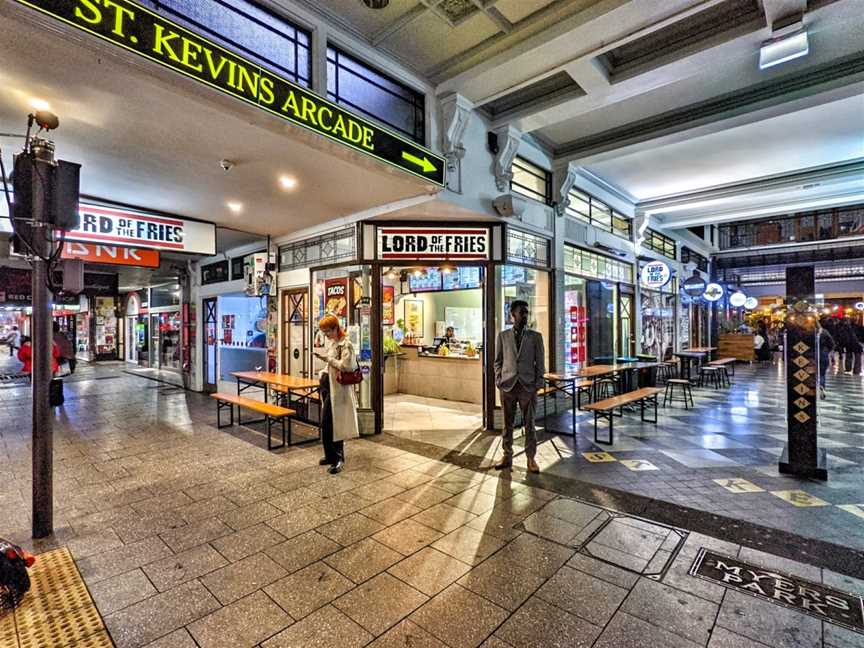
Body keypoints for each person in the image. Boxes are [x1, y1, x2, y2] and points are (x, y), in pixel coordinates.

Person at [493, 300, 546, 474]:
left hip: (527, 386)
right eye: (522, 312)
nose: (525, 315)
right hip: (507, 385)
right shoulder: (503, 336)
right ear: (512, 314)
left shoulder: (535, 337)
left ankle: (531, 458)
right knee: (507, 424)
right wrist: (499, 379)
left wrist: (538, 383)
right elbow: (498, 361)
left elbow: (540, 362)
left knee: (529, 423)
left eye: (526, 312)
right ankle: (507, 455)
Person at [313, 315, 359, 474]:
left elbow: (347, 366)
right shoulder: (334, 343)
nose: (326, 335)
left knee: (332, 423)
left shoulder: (346, 344)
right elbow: (331, 364)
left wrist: (329, 360)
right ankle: (330, 455)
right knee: (327, 423)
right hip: (328, 387)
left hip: (338, 390)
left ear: (335, 328)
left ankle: (337, 458)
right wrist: (323, 372)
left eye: (327, 332)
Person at [817, 320, 835, 399]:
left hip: (811, 355)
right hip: (823, 354)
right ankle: (821, 386)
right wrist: (828, 351)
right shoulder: (824, 332)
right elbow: (832, 344)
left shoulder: (808, 332)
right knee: (822, 374)